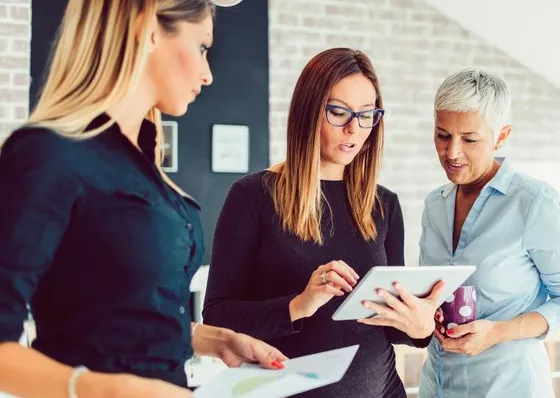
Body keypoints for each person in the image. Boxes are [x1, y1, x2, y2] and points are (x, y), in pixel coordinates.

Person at [0, 1, 286, 397]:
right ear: (149, 28)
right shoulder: (47, 155)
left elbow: (118, 318)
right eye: (202, 47)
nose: (208, 74)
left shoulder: (147, 167)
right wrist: (107, 391)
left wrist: (218, 341)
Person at [202, 47, 445, 398]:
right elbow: (218, 317)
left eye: (366, 115)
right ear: (308, 110)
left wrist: (420, 327)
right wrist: (299, 305)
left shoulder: (384, 204)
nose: (353, 129)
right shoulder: (251, 196)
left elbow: (388, 327)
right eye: (338, 112)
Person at [416, 69, 560, 397]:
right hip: (437, 385)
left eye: (469, 139)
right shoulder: (434, 205)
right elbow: (433, 291)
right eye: (442, 135)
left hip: (508, 387)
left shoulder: (535, 203)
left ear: (501, 136)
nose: (452, 152)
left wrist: (498, 331)